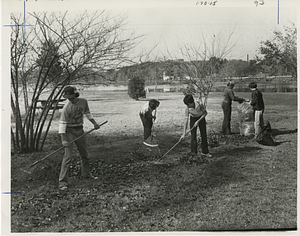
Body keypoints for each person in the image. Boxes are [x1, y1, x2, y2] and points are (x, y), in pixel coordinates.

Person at [58, 86, 100, 191]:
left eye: (71, 97)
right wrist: (64, 139)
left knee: (84, 154)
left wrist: (95, 124)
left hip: (79, 130)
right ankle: (62, 182)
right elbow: (62, 125)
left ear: (76, 95)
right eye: (68, 98)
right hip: (69, 132)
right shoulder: (66, 108)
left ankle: (86, 174)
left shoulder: (83, 102)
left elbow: (87, 113)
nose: (70, 99)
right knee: (68, 156)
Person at [181, 94, 212, 158]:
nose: (187, 106)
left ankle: (205, 152)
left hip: (201, 118)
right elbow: (186, 120)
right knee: (193, 137)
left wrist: (198, 121)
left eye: (188, 104)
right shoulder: (187, 109)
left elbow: (205, 113)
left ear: (192, 103)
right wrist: (184, 133)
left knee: (203, 135)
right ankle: (193, 154)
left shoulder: (199, 104)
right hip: (193, 119)